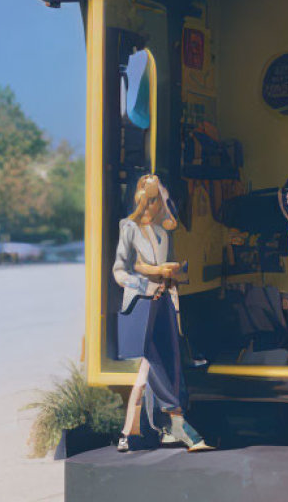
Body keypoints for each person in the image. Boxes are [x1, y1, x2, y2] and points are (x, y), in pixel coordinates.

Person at [113, 174, 213, 452]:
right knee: (155, 362)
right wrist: (146, 279)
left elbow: (166, 260)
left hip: (165, 302)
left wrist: (174, 274)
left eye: (162, 200)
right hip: (142, 303)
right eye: (157, 199)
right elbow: (119, 271)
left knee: (166, 363)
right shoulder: (129, 227)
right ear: (145, 199)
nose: (159, 205)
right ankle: (178, 421)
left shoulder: (162, 233)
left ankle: (134, 432)